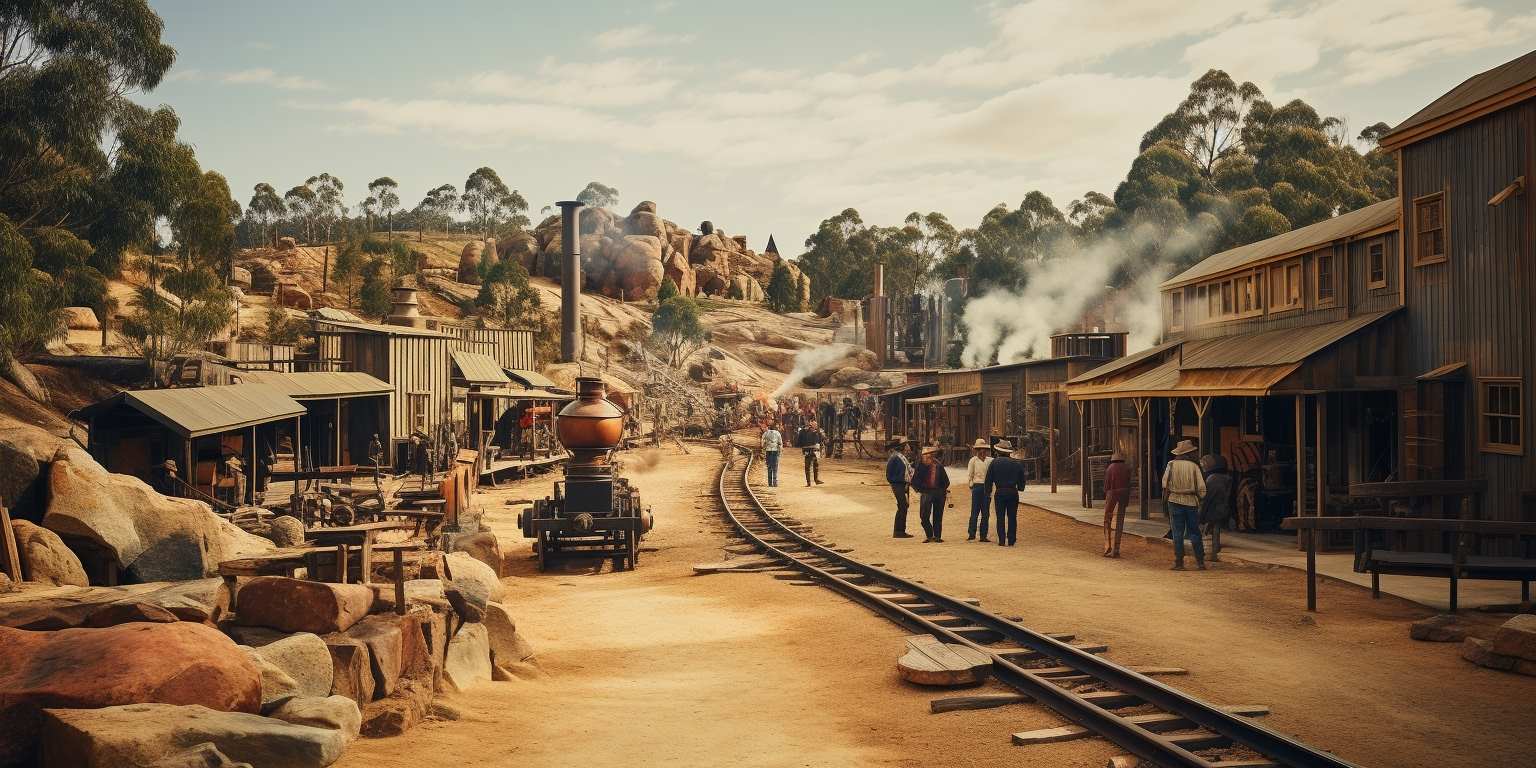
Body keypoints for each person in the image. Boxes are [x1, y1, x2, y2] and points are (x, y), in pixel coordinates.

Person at [1162, 439, 1207, 570]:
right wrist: (1200, 498)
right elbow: (1202, 488)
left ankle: (1179, 562)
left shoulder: (1171, 464)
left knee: (1177, 532)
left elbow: (1164, 484)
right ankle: (1200, 562)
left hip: (1174, 501)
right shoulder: (1194, 467)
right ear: (1189, 453)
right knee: (1194, 532)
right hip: (1191, 502)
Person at [984, 439, 1026, 546]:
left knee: (1000, 517)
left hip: (1000, 492)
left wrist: (988, 492)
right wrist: (1020, 488)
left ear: (998, 452)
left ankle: (1002, 540)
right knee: (1012, 517)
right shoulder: (1016, 464)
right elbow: (1022, 479)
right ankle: (1011, 540)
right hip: (1012, 492)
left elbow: (988, 479)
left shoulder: (994, 462)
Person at [912, 446, 950, 542]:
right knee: (924, 516)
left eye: (928, 457)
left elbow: (946, 481)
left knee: (938, 516)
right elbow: (914, 482)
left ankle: (937, 536)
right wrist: (921, 490)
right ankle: (929, 535)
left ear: (932, 457)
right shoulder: (920, 467)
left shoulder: (939, 466)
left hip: (939, 493)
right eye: (924, 457)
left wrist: (942, 490)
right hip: (926, 493)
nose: (926, 459)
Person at [1199, 454, 1232, 562]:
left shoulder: (1212, 479)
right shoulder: (1227, 478)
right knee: (1215, 529)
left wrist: (1202, 514)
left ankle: (1212, 553)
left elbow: (1208, 499)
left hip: (1214, 509)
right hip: (1222, 507)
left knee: (1211, 530)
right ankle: (1214, 551)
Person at [1102, 452, 1131, 557]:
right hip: (1123, 496)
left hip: (1112, 496)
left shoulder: (1110, 468)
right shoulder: (1127, 468)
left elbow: (1106, 486)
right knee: (1119, 522)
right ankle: (1116, 549)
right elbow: (1129, 483)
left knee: (1108, 521)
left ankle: (1108, 548)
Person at [885, 438, 914, 538]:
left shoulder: (901, 457)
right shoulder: (896, 458)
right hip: (898, 484)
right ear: (901, 447)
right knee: (902, 506)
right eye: (906, 445)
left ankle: (901, 530)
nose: (908, 447)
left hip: (903, 484)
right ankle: (898, 531)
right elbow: (889, 474)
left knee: (904, 506)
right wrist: (897, 481)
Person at [965, 439, 992, 542]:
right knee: (974, 512)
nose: (982, 451)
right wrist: (971, 485)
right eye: (980, 449)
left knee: (986, 513)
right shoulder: (973, 460)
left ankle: (983, 535)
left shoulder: (990, 461)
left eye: (984, 449)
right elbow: (970, 475)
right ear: (977, 450)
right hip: (977, 487)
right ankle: (971, 534)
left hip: (986, 487)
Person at [796, 418, 826, 486]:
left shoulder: (816, 432)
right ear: (811, 423)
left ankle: (814, 480)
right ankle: (809, 482)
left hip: (814, 451)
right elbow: (800, 442)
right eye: (814, 424)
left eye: (816, 424)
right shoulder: (805, 431)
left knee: (815, 466)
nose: (816, 425)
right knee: (808, 466)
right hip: (809, 450)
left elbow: (821, 440)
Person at [760, 421, 783, 487]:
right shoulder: (778, 433)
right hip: (775, 451)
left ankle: (770, 483)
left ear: (769, 427)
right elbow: (780, 443)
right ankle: (775, 483)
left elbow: (762, 444)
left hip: (768, 451)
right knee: (775, 467)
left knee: (769, 467)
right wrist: (780, 451)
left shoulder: (765, 434)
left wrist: (764, 448)